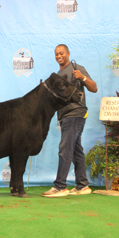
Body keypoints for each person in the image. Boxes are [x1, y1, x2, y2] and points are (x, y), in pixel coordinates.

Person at [42, 44, 98, 198]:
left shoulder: (77, 68)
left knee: (65, 149)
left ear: (68, 53)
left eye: (61, 53)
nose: (59, 56)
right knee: (75, 150)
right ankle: (82, 185)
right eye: (56, 54)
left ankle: (60, 186)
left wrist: (83, 77)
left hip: (75, 113)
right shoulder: (59, 74)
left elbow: (94, 88)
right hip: (64, 116)